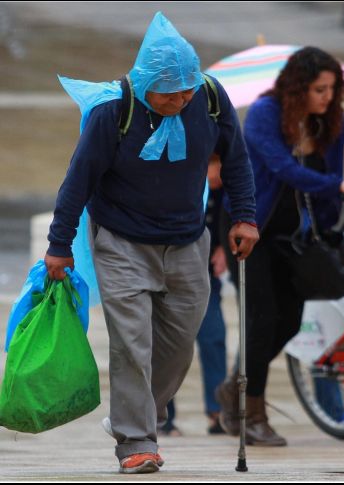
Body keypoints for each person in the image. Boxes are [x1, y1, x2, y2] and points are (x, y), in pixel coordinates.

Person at [44, 12, 257, 474]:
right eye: (169, 92)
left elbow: (237, 160)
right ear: (144, 84)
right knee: (131, 344)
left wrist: (245, 218)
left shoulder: (211, 98)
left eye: (186, 90)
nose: (179, 100)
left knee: (180, 346)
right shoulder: (112, 112)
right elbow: (77, 182)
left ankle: (136, 412)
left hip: (187, 241)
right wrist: (58, 246)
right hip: (122, 241)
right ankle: (136, 441)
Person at [215, 46, 344, 446]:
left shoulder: (328, 120)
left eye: (333, 89)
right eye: (319, 89)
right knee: (262, 319)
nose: (327, 97)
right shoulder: (265, 115)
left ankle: (234, 386)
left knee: (288, 321)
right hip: (251, 229)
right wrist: (339, 185)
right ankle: (253, 414)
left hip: (299, 239)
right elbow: (283, 169)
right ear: (299, 87)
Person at [160, 155, 229, 438]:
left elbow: (235, 213)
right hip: (166, 266)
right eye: (210, 166)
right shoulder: (174, 174)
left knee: (213, 338)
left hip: (206, 272)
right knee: (165, 344)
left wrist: (223, 246)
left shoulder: (227, 186)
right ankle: (163, 414)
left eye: (219, 166)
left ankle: (218, 412)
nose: (215, 175)